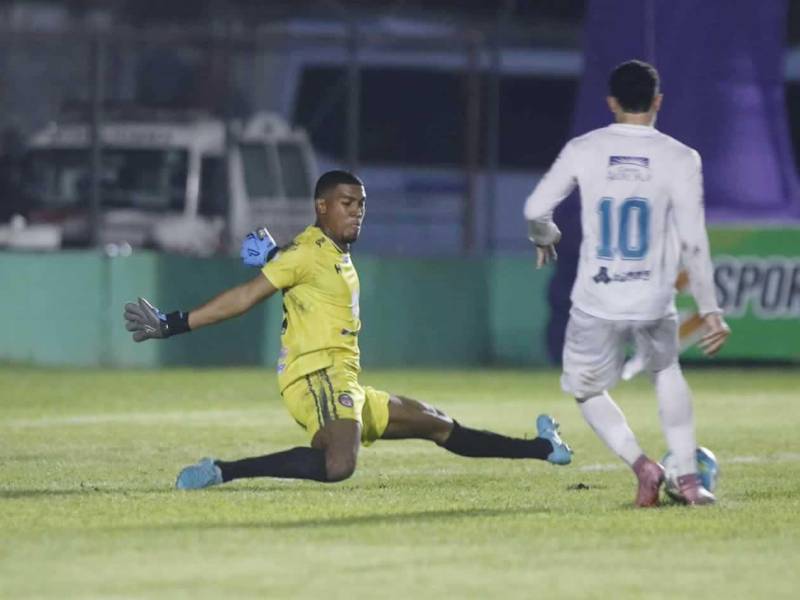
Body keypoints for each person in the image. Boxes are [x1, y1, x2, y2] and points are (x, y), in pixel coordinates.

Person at [124, 170, 572, 489]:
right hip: (315, 375)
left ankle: (542, 449)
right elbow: (244, 297)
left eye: (361, 204)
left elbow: (300, 266)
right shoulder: (305, 252)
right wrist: (172, 323)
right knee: (339, 465)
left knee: (436, 423)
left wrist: (273, 252)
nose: (357, 212)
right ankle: (223, 470)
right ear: (322, 206)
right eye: (347, 203)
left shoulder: (325, 250)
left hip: (346, 381)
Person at [523, 60, 730, 507]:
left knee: (586, 389)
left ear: (611, 102)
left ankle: (643, 465)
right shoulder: (681, 156)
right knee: (666, 371)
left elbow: (536, 208)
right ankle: (690, 481)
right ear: (658, 101)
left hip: (598, 296)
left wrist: (547, 237)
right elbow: (694, 242)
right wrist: (710, 309)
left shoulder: (585, 148)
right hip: (654, 297)